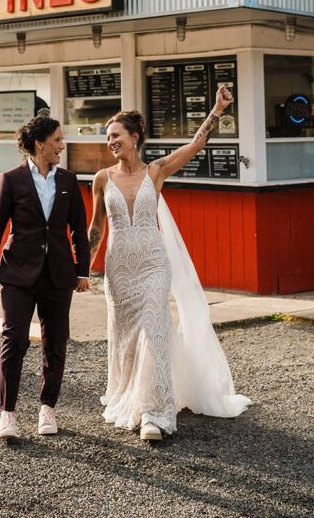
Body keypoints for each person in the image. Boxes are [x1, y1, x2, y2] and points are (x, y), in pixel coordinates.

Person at [88, 85, 252, 440]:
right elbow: (96, 229)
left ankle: (154, 413)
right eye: (108, 138)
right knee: (127, 338)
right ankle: (129, 396)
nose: (111, 142)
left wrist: (217, 110)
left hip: (153, 265)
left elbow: (195, 145)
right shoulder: (102, 179)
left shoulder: (156, 171)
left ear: (134, 137)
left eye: (116, 135)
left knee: (154, 329)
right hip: (119, 271)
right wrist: (81, 269)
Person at [0, 116, 90, 441]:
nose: (62, 146)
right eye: (57, 140)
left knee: (55, 344)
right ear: (40, 143)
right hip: (17, 273)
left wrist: (82, 271)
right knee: (14, 341)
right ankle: (7, 416)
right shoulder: (10, 180)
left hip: (59, 274)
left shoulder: (68, 179)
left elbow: (79, 229)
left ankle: (47, 408)